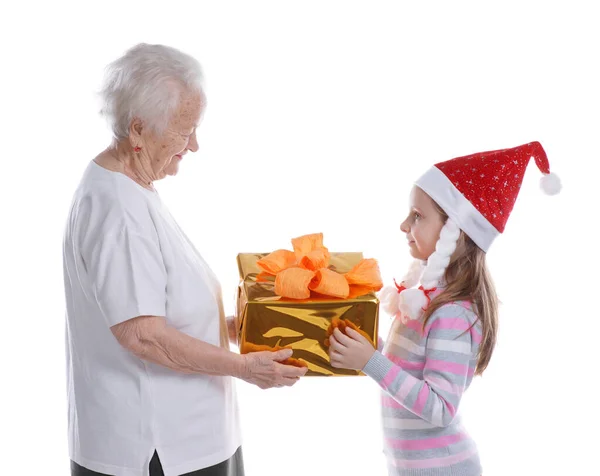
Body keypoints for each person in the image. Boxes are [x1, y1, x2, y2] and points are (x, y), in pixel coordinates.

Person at [63, 43, 307, 476]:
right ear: (138, 130)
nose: (194, 144)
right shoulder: (118, 209)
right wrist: (246, 368)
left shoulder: (132, 186)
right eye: (184, 130)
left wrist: (241, 329)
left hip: (188, 441)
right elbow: (143, 336)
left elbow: (158, 304)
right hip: (157, 451)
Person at [327, 141, 561, 475]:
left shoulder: (453, 312)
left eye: (417, 216)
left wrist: (370, 361)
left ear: (454, 232)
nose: (404, 225)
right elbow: (404, 373)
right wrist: (366, 348)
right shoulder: (424, 298)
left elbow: (440, 408)